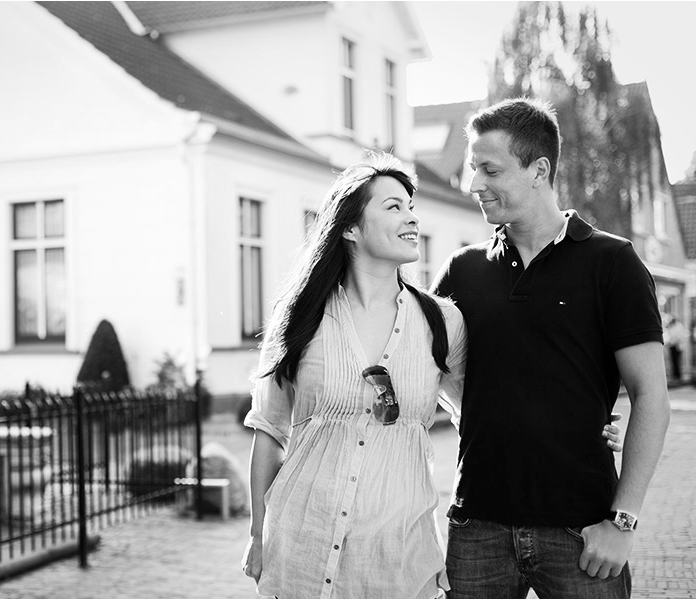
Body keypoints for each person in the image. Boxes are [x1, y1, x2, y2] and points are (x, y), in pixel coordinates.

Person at [239, 153, 622, 599]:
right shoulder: (299, 318)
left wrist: (575, 427)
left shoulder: (442, 322)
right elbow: (268, 431)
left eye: (411, 207)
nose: (411, 218)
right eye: (393, 207)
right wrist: (257, 532)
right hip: (300, 549)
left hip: (397, 562)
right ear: (349, 227)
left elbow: (482, 410)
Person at [431, 98, 671, 599]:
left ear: (539, 170)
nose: (474, 184)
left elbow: (651, 394)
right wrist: (472, 414)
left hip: (582, 532)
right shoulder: (461, 271)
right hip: (476, 528)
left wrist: (621, 522)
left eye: (489, 169)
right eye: (474, 168)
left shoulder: (613, 263)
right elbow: (428, 369)